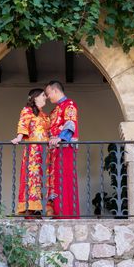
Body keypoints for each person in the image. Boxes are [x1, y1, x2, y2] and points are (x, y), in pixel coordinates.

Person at [11, 88, 49, 216]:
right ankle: (30, 208)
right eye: (43, 95)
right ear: (35, 97)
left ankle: (42, 207)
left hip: (45, 152)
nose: (46, 97)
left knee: (44, 178)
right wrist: (18, 138)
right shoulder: (27, 111)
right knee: (32, 178)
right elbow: (23, 124)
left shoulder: (44, 115)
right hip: (33, 150)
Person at [45, 80, 80, 218]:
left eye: (48, 94)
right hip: (54, 151)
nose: (47, 97)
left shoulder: (69, 104)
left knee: (64, 179)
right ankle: (55, 212)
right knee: (54, 180)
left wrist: (60, 138)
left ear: (55, 91)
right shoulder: (54, 110)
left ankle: (66, 214)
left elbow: (70, 123)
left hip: (65, 148)